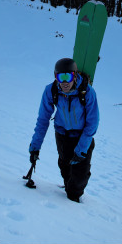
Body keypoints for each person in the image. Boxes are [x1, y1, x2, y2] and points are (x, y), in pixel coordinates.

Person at [29, 58, 99, 203]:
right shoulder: (51, 90)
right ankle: (68, 192)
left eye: (69, 77)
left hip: (82, 137)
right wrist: (35, 147)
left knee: (80, 174)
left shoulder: (87, 92)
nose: (65, 82)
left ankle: (73, 200)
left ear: (75, 75)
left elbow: (92, 123)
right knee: (65, 166)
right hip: (62, 135)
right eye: (61, 77)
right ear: (56, 76)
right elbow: (43, 120)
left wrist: (81, 149)